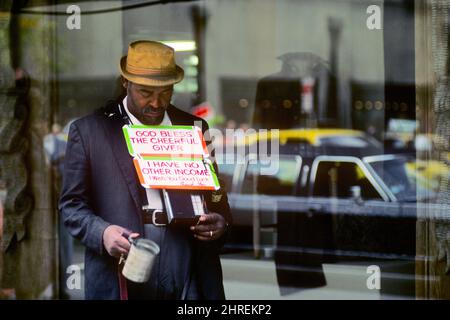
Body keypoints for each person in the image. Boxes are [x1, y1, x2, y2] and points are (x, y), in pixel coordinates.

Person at [59, 40, 231, 300]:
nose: (156, 102)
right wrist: (102, 233)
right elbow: (71, 205)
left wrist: (221, 219)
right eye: (145, 92)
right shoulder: (89, 131)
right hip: (123, 259)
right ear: (125, 83)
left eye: (165, 92)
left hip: (188, 253)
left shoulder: (195, 125)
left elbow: (215, 193)